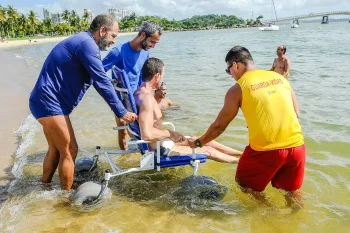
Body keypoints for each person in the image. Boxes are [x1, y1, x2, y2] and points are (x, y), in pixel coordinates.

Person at [29, 14, 137, 190]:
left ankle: (45, 187)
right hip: (49, 103)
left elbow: (99, 75)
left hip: (43, 102)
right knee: (70, 150)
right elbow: (102, 81)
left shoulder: (83, 42)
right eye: (113, 36)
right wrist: (121, 111)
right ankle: (66, 198)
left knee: (56, 149)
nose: (113, 42)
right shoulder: (87, 45)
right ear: (102, 30)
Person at [188, 46, 305, 207]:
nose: (230, 75)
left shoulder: (238, 89)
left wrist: (199, 142)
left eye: (229, 70)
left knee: (244, 185)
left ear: (236, 65)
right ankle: (295, 220)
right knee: (292, 192)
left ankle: (270, 216)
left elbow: (219, 126)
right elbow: (296, 113)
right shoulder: (279, 78)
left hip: (266, 149)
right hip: (297, 146)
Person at [135, 58, 242, 163]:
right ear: (157, 76)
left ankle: (242, 155)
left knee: (204, 141)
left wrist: (171, 135)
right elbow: (147, 135)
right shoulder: (147, 99)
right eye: (163, 75)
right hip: (160, 149)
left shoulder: (138, 93)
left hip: (163, 143)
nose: (163, 78)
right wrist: (170, 133)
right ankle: (243, 163)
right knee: (208, 150)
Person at [102, 20, 162, 150]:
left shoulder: (145, 52)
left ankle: (150, 153)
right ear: (142, 35)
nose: (153, 46)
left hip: (139, 97)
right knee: (123, 131)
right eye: (152, 42)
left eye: (156, 43)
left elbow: (145, 74)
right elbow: (99, 73)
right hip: (123, 99)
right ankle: (124, 154)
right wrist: (113, 95)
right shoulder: (118, 52)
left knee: (148, 125)